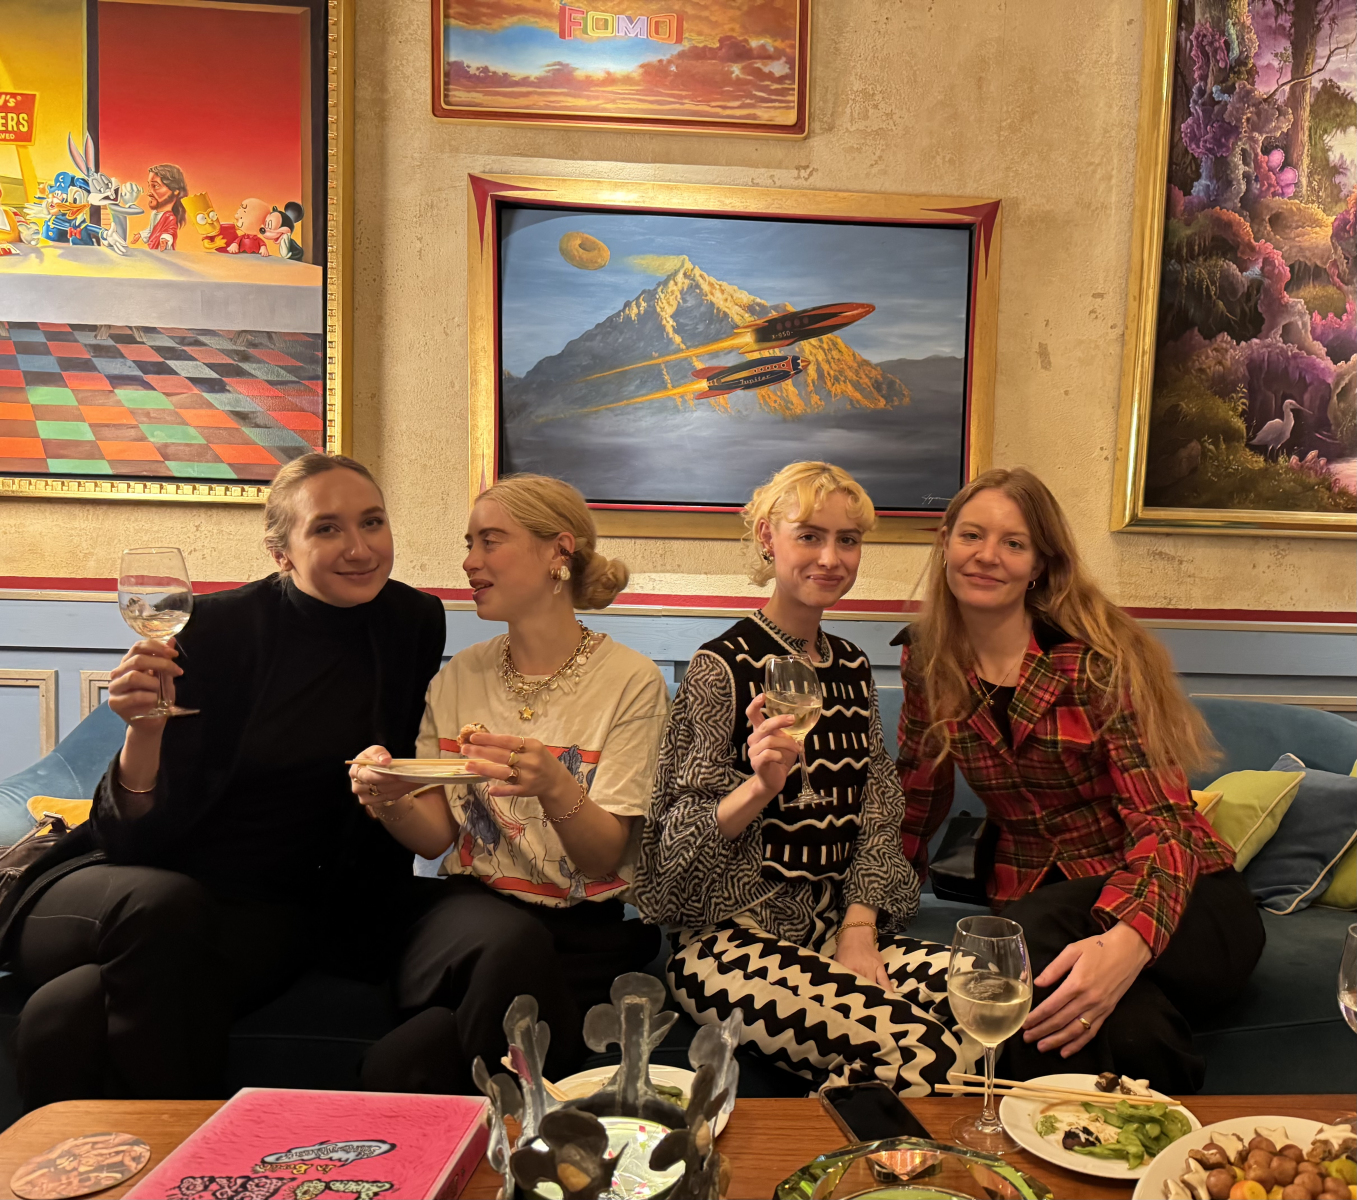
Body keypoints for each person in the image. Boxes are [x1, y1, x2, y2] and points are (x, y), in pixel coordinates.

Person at [0, 453, 446, 1107]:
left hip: (265, 909)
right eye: (326, 528)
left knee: (64, 1013)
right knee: (162, 905)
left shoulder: (411, 621)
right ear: (280, 551)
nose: (359, 547)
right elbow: (130, 839)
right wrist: (143, 730)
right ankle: (188, 1153)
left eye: (372, 522)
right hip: (126, 884)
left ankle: (113, 1159)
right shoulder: (213, 629)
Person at [895, 467, 1261, 1093]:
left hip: (1188, 902)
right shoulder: (927, 660)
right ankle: (1163, 1137)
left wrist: (1127, 942)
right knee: (1106, 1020)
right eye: (971, 535)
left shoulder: (1098, 660)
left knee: (1014, 941)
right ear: (945, 542)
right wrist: (866, 912)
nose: (987, 555)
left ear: (1039, 564)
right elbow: (915, 798)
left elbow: (1165, 823)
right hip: (1044, 905)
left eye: (1013, 543)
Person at [632, 461, 979, 1096]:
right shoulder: (719, 668)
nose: (830, 557)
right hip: (727, 943)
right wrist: (757, 789)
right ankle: (818, 1149)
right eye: (810, 536)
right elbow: (668, 857)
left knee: (993, 994)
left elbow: (878, 811)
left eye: (848, 540)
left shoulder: (850, 666)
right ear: (768, 538)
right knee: (925, 1054)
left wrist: (858, 929)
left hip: (835, 928)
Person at [349, 474, 668, 1089]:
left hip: (581, 939)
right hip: (467, 920)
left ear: (558, 551)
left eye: (490, 541)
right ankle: (543, 1124)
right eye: (469, 544)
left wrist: (555, 784)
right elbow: (436, 837)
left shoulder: (630, 683)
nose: (470, 562)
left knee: (400, 1064)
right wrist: (389, 798)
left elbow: (602, 858)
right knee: (507, 940)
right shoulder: (459, 677)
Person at [130, 163, 187, 251]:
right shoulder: (155, 214)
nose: (149, 193)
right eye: (149, 186)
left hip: (164, 253)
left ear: (175, 191)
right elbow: (151, 230)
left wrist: (164, 239)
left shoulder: (169, 217)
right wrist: (140, 234)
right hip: (154, 251)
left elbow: (170, 231)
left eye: (155, 186)